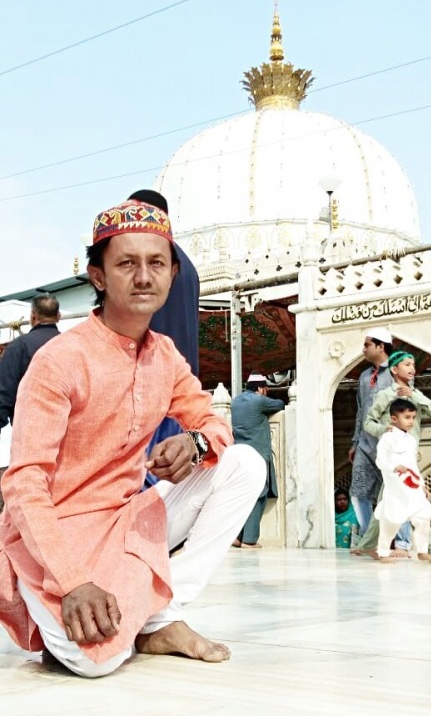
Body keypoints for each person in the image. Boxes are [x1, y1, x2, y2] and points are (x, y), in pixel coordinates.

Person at [0, 199, 265, 678]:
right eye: (126, 263)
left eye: (156, 263)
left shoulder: (163, 355)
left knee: (244, 464)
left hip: (127, 521)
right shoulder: (60, 360)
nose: (143, 277)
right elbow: (23, 486)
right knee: (92, 662)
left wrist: (196, 444)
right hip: (59, 532)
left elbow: (212, 422)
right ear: (98, 276)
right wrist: (74, 580)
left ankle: (164, 613)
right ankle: (139, 613)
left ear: (172, 272)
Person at [128, 190, 200, 486]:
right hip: (180, 386)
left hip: (148, 381)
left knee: (145, 479)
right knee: (169, 478)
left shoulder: (147, 266)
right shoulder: (186, 266)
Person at [353, 350, 431, 560]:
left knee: (390, 501)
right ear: (395, 370)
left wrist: (414, 396)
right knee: (415, 502)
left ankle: (367, 544)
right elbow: (369, 423)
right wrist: (384, 429)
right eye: (406, 365)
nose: (412, 369)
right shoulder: (385, 395)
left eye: (413, 365)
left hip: (410, 457)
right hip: (394, 459)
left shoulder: (416, 394)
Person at [0, 294, 60, 512]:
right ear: (58, 316)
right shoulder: (75, 347)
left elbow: (3, 396)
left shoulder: (18, 348)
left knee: (30, 497)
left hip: (31, 438)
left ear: (33, 317)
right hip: (70, 438)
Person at [374, 399, 431, 563]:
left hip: (412, 486)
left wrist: (422, 485)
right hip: (396, 487)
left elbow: (413, 465)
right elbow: (380, 461)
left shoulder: (411, 440)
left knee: (424, 512)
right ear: (394, 419)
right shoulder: (387, 438)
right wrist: (394, 467)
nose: (411, 421)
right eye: (407, 417)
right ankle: (383, 552)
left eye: (413, 417)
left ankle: (422, 551)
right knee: (391, 519)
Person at [231, 372, 285, 548]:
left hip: (239, 454)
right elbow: (280, 404)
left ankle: (237, 536)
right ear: (261, 388)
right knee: (258, 495)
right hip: (258, 454)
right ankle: (249, 539)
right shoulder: (259, 400)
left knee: (242, 496)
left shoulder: (235, 401)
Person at [348, 327, 393, 535]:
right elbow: (360, 410)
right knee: (357, 492)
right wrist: (356, 442)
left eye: (367, 345)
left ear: (380, 346)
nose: (363, 349)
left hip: (389, 442)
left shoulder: (397, 371)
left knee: (394, 492)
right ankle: (368, 538)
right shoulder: (365, 376)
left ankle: (401, 542)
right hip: (365, 444)